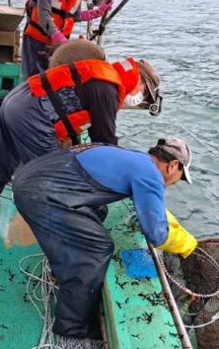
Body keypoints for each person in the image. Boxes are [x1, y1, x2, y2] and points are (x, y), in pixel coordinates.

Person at [12, 137, 198, 339]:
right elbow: (157, 235)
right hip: (40, 194)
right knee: (96, 249)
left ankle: (61, 269)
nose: (174, 183)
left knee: (99, 210)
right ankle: (72, 326)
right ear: (172, 165)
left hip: (31, 176)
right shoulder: (151, 175)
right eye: (180, 177)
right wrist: (189, 245)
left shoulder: (136, 157)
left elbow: (154, 209)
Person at [0, 50, 161, 223]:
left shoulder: (104, 72)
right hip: (32, 116)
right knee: (54, 179)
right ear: (141, 82)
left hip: (16, 100)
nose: (139, 99)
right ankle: (65, 232)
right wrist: (129, 171)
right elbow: (104, 143)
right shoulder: (109, 89)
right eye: (144, 93)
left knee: (3, 161)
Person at [22, 0, 113, 78]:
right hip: (36, 41)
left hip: (58, 44)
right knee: (33, 80)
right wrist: (66, 44)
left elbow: (76, 16)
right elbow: (44, 16)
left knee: (54, 80)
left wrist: (98, 12)